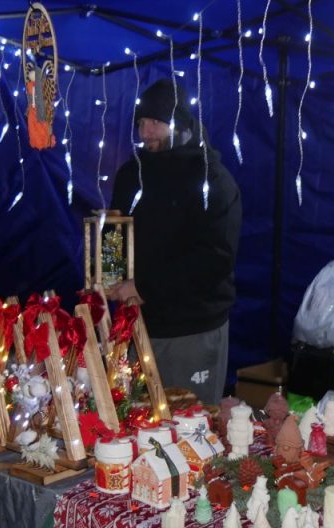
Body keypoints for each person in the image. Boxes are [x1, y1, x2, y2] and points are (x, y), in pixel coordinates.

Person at [108, 79, 242, 405]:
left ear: (179, 124)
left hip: (190, 331)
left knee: (187, 423)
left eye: (155, 122)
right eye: (141, 123)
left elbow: (213, 260)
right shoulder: (131, 174)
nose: (146, 132)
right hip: (136, 325)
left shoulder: (212, 181)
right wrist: (108, 273)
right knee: (134, 419)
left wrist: (144, 287)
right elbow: (114, 230)